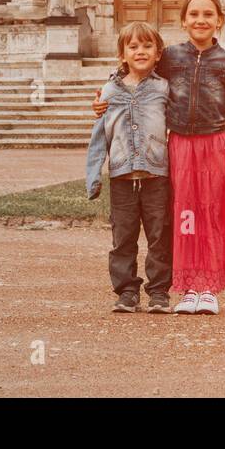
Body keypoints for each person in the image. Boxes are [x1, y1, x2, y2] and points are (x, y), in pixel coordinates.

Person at [94, 0, 225, 315]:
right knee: (184, 217)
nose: (200, 20)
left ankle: (210, 288)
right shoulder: (172, 57)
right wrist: (107, 91)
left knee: (211, 215)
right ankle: (189, 287)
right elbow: (139, 73)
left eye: (207, 15)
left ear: (219, 21)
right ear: (183, 21)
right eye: (194, 14)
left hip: (215, 146)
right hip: (179, 148)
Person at [85, 21, 173, 313]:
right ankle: (126, 291)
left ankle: (159, 292)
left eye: (147, 46)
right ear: (122, 54)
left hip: (156, 174)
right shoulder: (109, 91)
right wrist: (93, 176)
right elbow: (99, 137)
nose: (140, 51)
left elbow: (179, 122)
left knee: (160, 235)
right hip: (122, 176)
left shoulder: (163, 88)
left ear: (158, 53)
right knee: (123, 237)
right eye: (133, 47)